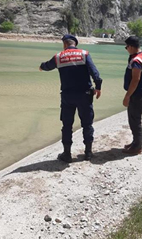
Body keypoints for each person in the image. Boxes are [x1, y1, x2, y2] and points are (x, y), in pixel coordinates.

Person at [39, 34, 103, 163]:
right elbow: (95, 73)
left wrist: (41, 66)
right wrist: (98, 87)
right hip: (85, 95)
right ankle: (88, 153)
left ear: (64, 44)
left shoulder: (58, 57)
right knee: (87, 124)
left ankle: (67, 154)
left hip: (67, 96)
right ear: (75, 44)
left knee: (67, 125)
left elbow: (47, 66)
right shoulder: (84, 54)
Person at [122, 36, 142, 155]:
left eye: (126, 47)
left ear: (132, 47)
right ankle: (135, 142)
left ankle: (138, 147)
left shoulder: (137, 61)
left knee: (135, 122)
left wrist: (127, 96)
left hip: (138, 95)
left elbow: (135, 80)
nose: (126, 49)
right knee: (134, 120)